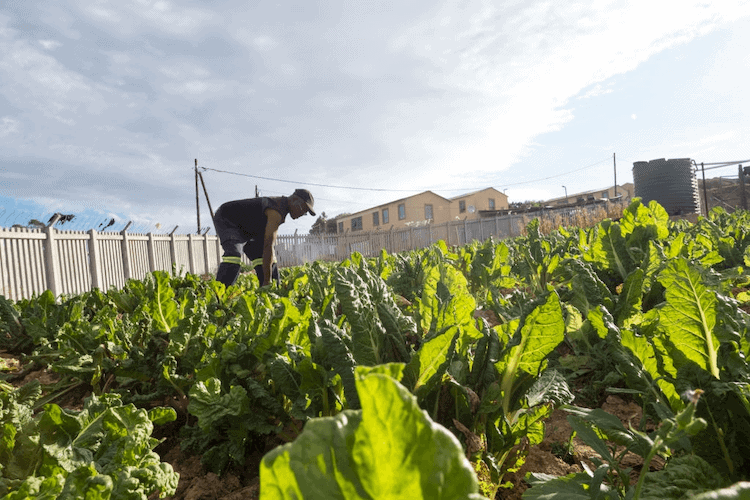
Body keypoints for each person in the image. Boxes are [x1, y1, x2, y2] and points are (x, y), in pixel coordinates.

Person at [213, 188, 315, 287]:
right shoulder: (276, 210)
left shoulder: (281, 208)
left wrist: (269, 279)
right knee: (233, 257)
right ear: (295, 200)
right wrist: (267, 281)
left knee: (268, 263)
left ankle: (271, 294)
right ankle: (220, 298)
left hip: (250, 229)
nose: (302, 214)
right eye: (304, 209)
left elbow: (267, 251)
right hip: (228, 219)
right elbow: (268, 245)